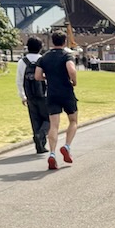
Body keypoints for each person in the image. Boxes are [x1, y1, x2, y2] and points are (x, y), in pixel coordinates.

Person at [35, 30, 78, 171]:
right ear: (64, 41)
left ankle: (52, 153)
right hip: (66, 92)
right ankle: (66, 146)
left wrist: (47, 78)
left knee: (54, 125)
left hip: (52, 93)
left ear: (52, 41)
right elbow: (71, 70)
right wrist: (74, 81)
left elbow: (37, 76)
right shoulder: (67, 55)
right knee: (73, 120)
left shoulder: (44, 57)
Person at [17, 35, 50, 154]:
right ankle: (41, 136)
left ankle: (39, 145)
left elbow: (19, 80)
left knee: (35, 120)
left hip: (30, 95)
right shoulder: (44, 60)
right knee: (47, 119)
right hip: (44, 94)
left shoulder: (22, 61)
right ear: (40, 47)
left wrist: (22, 96)